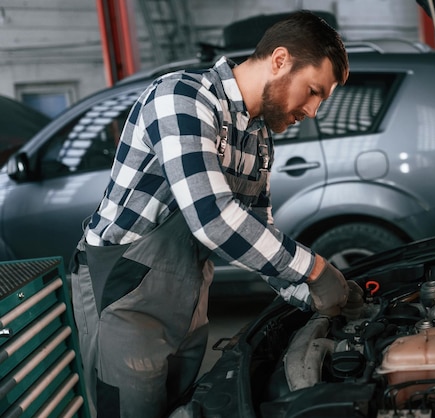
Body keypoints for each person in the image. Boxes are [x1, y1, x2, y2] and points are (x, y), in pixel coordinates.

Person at [70, 10, 354, 418]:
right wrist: (315, 270)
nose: (312, 111)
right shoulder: (181, 99)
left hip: (188, 300)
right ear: (279, 60)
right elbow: (213, 218)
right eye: (313, 91)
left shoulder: (257, 140)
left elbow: (258, 233)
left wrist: (312, 297)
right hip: (123, 296)